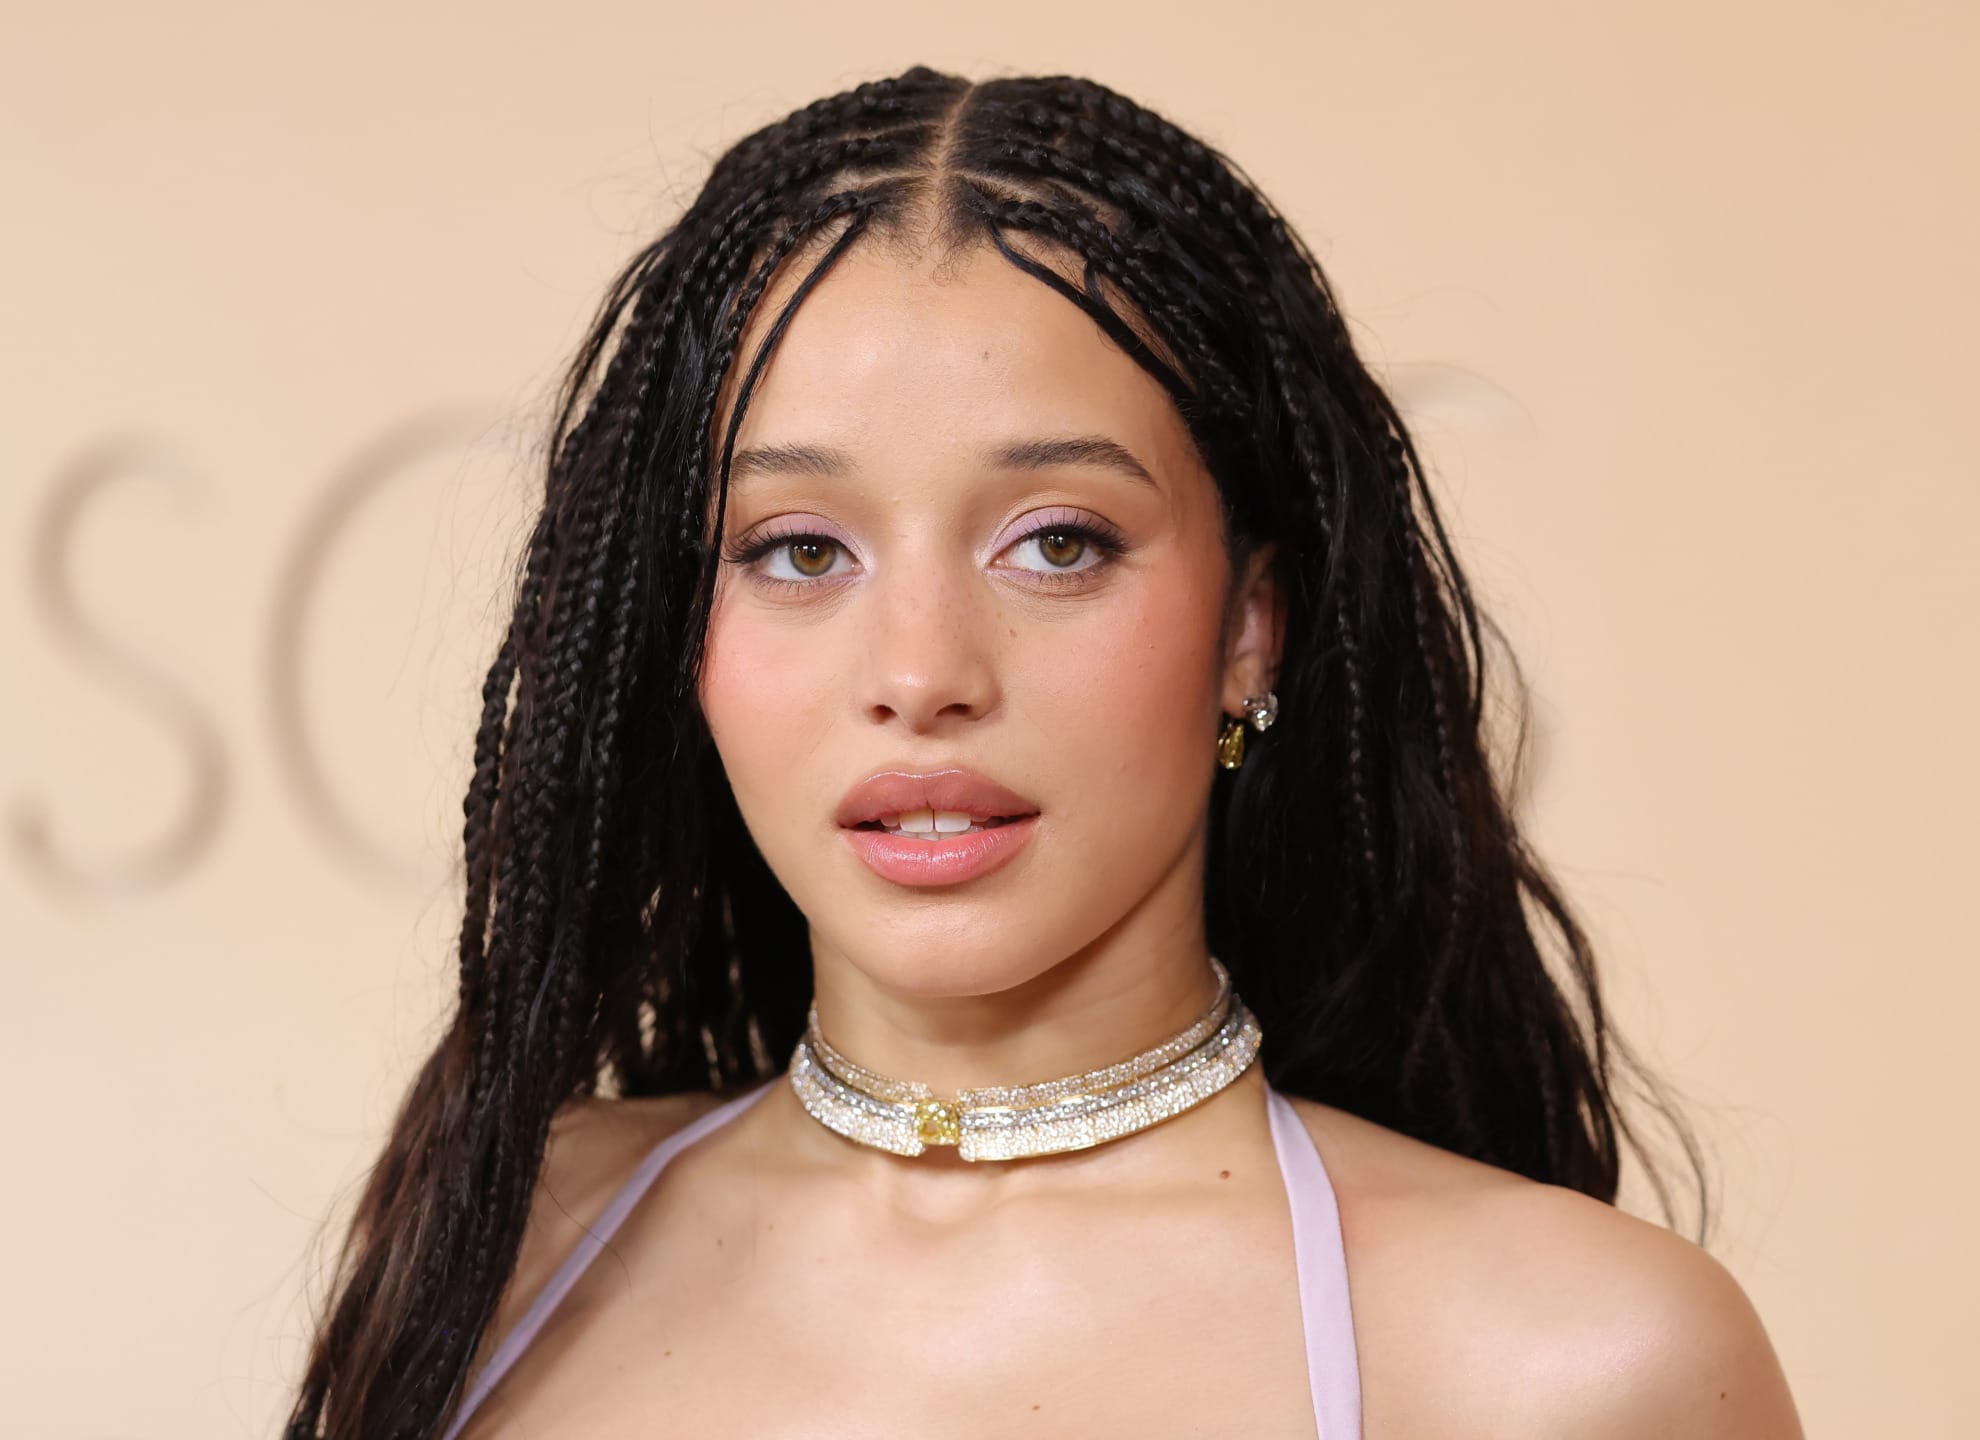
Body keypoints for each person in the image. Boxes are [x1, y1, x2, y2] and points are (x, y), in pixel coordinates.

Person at [283, 65, 1802, 1439]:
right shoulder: (492, 1243)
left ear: (1250, 627)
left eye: (1058, 543)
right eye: (798, 551)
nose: (922, 675)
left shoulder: (1569, 1367)